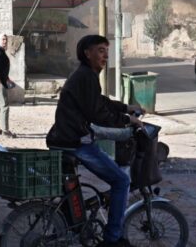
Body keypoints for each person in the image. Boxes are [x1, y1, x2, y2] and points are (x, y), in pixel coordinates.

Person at [46, 35, 144, 247]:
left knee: (87, 186)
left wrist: (125, 108)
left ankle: (79, 222)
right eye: (100, 50)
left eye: (106, 50)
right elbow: (97, 113)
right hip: (73, 141)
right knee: (121, 181)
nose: (105, 55)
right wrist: (128, 121)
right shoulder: (86, 76)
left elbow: (99, 101)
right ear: (87, 53)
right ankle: (112, 239)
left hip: (64, 138)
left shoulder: (85, 75)